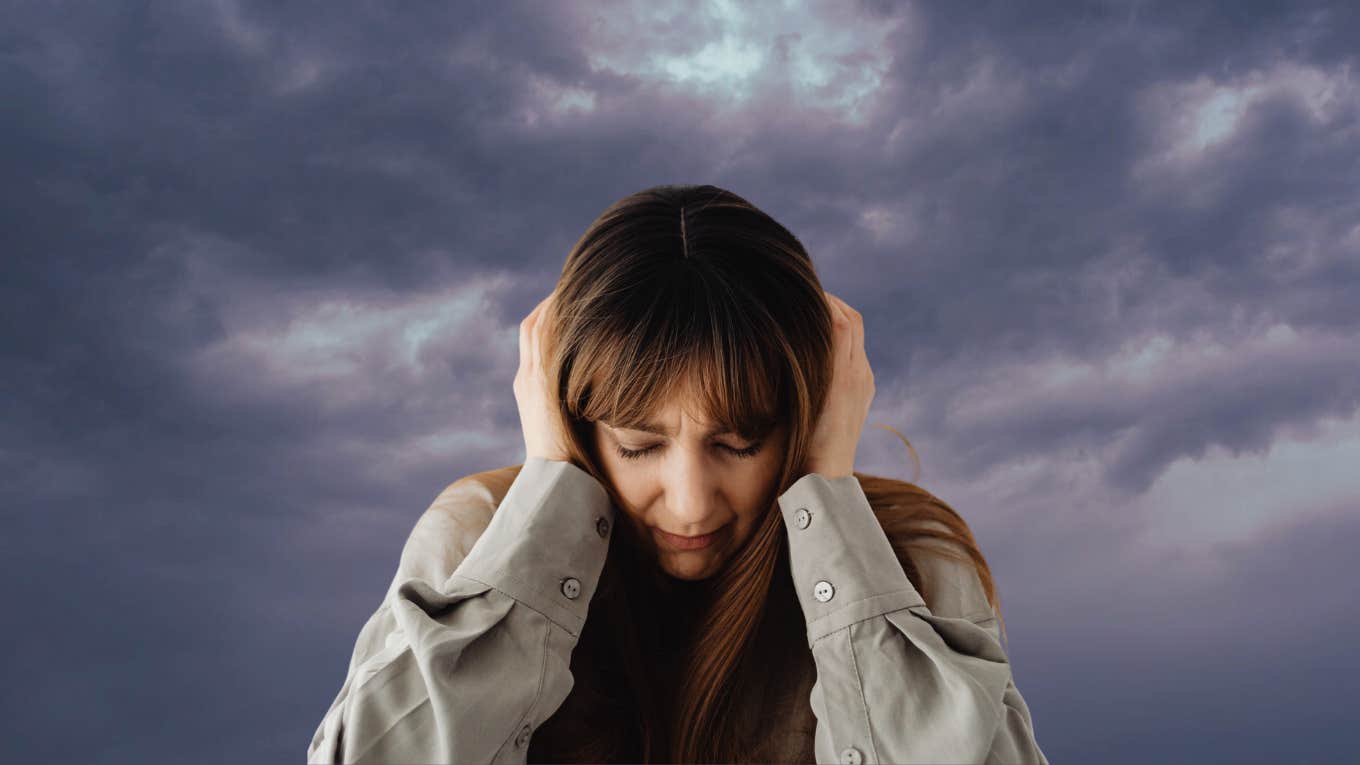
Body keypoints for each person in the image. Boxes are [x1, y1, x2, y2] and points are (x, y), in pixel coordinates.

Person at [307, 184, 1049, 764]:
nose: (691, 504)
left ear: (811, 412)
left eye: (740, 441)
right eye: (638, 446)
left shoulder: (911, 560)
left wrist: (828, 490)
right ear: (570, 418)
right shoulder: (477, 541)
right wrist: (549, 498)